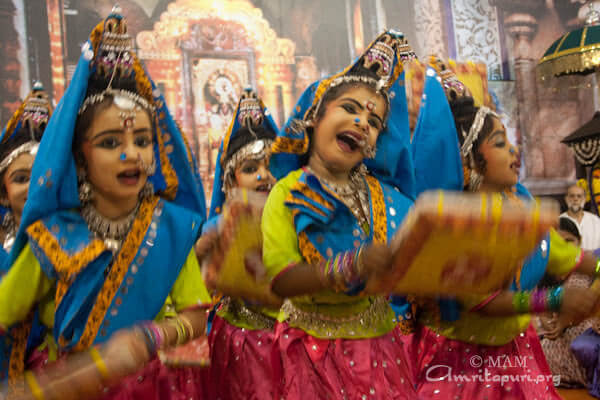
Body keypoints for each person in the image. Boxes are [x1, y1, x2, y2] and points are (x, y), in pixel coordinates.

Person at [0, 8, 212, 398]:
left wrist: (153, 335)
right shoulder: (53, 234)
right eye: (111, 143)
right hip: (70, 384)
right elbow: (6, 310)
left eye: (143, 141)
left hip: (152, 386)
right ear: (79, 158)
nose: (131, 154)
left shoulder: (173, 227)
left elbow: (196, 316)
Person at [408, 93, 600, 399]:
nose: (514, 149)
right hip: (459, 367)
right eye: (500, 142)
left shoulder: (518, 209)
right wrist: (554, 298)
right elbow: (482, 302)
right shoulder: (453, 224)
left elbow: (568, 255)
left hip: (515, 353)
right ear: (469, 158)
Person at [261, 30, 419, 399]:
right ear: (314, 117)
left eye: (375, 121)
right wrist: (352, 265)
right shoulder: (287, 193)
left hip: (381, 347)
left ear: (376, 144)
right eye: (349, 108)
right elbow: (282, 281)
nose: (363, 123)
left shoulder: (389, 200)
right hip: (311, 352)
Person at [200, 87, 282, 399]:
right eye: (250, 169)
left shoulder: (295, 223)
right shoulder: (216, 228)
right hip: (240, 343)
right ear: (231, 181)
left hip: (291, 340)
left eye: (270, 166)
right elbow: (200, 291)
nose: (264, 176)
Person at [0, 82, 52, 383]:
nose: (35, 188)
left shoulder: (77, 243)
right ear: (4, 194)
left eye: (44, 176)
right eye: (21, 178)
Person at [536, 217, 600, 389]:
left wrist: (565, 322)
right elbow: (537, 300)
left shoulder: (589, 261)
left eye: (569, 241)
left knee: (576, 345)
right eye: (559, 243)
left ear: (579, 241)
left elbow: (589, 298)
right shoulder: (542, 264)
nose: (565, 247)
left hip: (583, 321)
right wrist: (549, 321)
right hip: (554, 324)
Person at [561, 184, 600, 250]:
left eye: (579, 196)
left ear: (584, 199)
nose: (575, 199)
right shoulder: (558, 222)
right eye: (572, 196)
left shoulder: (596, 221)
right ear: (566, 199)